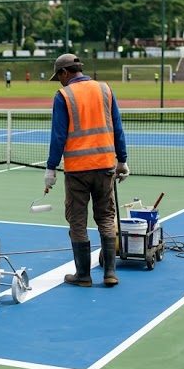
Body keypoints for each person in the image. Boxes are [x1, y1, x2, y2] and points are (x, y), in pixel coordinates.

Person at [44, 54, 128, 288]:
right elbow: (117, 127)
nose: (59, 82)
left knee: (78, 222)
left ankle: (83, 276)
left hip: (77, 171)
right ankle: (110, 273)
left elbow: (58, 135)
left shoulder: (63, 96)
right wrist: (122, 160)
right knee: (106, 218)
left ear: (64, 73)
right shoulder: (105, 89)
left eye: (58, 77)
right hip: (105, 166)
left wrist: (50, 168)